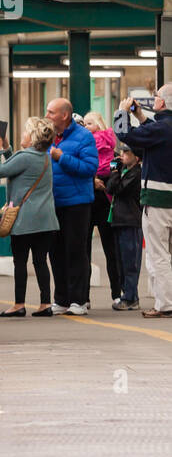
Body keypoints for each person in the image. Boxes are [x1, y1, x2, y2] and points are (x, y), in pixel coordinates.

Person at [0, 117, 58, 317]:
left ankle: (19, 304)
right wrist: (8, 148)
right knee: (40, 261)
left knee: (20, 262)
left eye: (26, 132)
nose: (23, 135)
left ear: (33, 137)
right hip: (46, 220)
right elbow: (18, 165)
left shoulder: (26, 157)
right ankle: (45, 303)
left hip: (24, 220)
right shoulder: (42, 156)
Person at [116, 85, 172, 318]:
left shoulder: (162, 128)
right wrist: (139, 115)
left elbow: (127, 136)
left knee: (158, 254)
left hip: (158, 198)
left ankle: (165, 304)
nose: (154, 99)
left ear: (163, 103)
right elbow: (154, 132)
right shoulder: (164, 128)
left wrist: (122, 113)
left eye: (157, 96)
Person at [45, 98, 99, 316]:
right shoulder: (48, 138)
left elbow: (89, 167)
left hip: (77, 204)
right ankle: (61, 299)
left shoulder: (84, 137)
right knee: (55, 252)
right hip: (52, 203)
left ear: (64, 116)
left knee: (75, 251)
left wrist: (61, 157)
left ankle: (79, 300)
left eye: (51, 112)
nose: (47, 116)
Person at [84, 110, 121, 305]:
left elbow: (116, 175)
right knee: (84, 252)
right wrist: (92, 181)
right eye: (85, 124)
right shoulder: (83, 151)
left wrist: (104, 183)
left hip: (106, 203)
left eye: (90, 123)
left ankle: (117, 294)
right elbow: (78, 172)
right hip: (87, 203)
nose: (86, 127)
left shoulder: (114, 156)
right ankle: (84, 297)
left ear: (99, 125)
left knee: (111, 252)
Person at [105, 142, 143, 311]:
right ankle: (129, 295)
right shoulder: (123, 171)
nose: (122, 156)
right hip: (119, 219)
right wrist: (116, 171)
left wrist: (114, 172)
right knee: (121, 261)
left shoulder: (136, 173)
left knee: (130, 262)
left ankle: (130, 297)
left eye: (127, 153)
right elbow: (110, 187)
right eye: (122, 152)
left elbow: (118, 189)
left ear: (136, 157)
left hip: (130, 220)